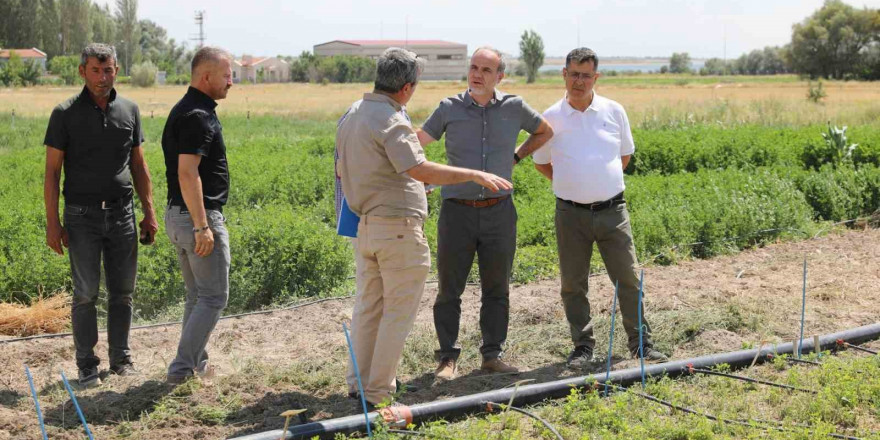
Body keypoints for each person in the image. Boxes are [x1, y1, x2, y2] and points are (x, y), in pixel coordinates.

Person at [338, 47, 513, 407]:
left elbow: (357, 170)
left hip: (368, 228)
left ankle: (359, 382)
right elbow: (418, 167)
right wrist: (474, 174)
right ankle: (379, 393)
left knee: (369, 308)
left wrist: (411, 185)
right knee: (396, 315)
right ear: (406, 87)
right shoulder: (391, 120)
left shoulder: (353, 113)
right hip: (397, 232)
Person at [416, 47, 553, 379]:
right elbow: (417, 142)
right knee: (450, 289)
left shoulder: (514, 107)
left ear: (500, 77)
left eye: (485, 70)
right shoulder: (448, 108)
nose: (476, 74)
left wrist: (516, 159)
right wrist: (419, 174)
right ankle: (447, 359)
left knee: (497, 287)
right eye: (473, 67)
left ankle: (492, 356)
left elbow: (545, 131)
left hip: (499, 213)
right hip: (456, 212)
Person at [532, 47, 668, 367]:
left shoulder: (614, 111)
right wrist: (571, 184)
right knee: (572, 284)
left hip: (612, 212)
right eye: (574, 74)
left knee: (629, 279)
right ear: (563, 75)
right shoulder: (549, 118)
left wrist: (598, 182)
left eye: (586, 75)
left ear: (596, 77)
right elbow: (541, 163)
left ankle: (640, 344)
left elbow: (624, 157)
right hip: (570, 215)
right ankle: (583, 346)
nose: (579, 81)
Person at [44, 43, 157, 387]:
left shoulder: (130, 110)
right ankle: (87, 365)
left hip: (123, 214)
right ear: (82, 72)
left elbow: (138, 164)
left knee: (123, 292)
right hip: (82, 217)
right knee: (86, 293)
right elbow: (52, 173)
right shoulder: (64, 113)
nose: (102, 77)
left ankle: (121, 360)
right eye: (95, 70)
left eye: (108, 70)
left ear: (116, 71)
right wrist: (53, 223)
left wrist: (148, 210)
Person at [161, 46, 233, 384]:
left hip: (179, 215)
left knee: (198, 296)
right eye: (226, 75)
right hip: (195, 218)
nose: (231, 81)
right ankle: (181, 370)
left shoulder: (188, 109)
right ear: (206, 77)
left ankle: (197, 363)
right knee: (214, 296)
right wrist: (203, 226)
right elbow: (187, 173)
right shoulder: (198, 116)